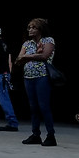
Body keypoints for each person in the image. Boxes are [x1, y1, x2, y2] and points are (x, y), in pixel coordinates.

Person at [16, 18, 57, 146]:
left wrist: (27, 56)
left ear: (40, 29)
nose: (30, 30)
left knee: (43, 106)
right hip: (28, 77)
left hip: (42, 76)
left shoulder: (48, 41)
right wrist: (34, 55)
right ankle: (35, 134)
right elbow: (18, 59)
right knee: (33, 107)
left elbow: (45, 56)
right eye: (29, 27)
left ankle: (51, 135)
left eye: (33, 27)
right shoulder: (26, 44)